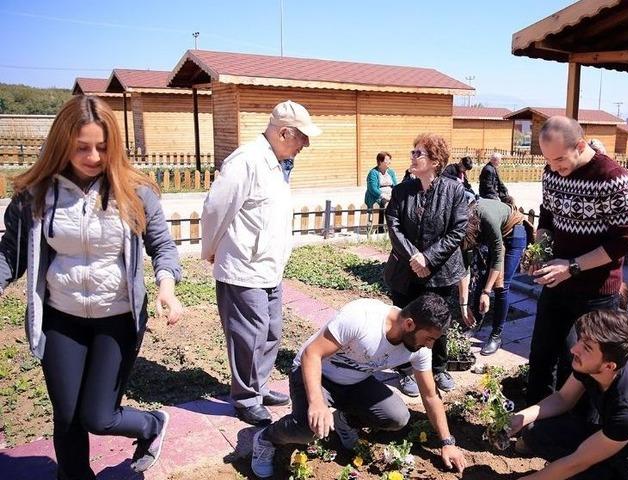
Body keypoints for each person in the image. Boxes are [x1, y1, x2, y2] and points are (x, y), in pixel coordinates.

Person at [0, 95, 183, 478]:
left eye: (102, 147)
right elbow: (10, 256)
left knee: (99, 417)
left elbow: (162, 245)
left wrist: (166, 285)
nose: (94, 156)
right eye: (82, 147)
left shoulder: (134, 191)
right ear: (62, 142)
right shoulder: (35, 194)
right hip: (60, 318)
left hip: (117, 319)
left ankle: (151, 424)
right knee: (67, 417)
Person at [250, 294, 467, 478]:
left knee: (397, 417)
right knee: (309, 429)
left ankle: (344, 420)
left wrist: (447, 442)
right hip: (315, 373)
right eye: (429, 338)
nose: (430, 345)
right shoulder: (362, 318)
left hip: (354, 382)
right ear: (409, 324)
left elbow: (430, 396)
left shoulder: (420, 349)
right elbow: (312, 354)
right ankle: (266, 438)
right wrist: (317, 402)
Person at [201, 100, 321, 426]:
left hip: (269, 267)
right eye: (302, 138)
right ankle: (245, 398)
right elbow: (214, 209)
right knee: (248, 337)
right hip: (243, 267)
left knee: (271, 332)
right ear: (284, 133)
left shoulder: (277, 163)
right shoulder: (246, 161)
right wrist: (210, 248)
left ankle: (259, 386)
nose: (305, 145)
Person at [527, 116, 628, 404]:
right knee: (541, 354)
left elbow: (627, 239)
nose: (554, 168)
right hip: (557, 283)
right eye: (548, 161)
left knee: (582, 366)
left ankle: (579, 423)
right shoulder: (552, 172)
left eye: (559, 160)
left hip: (596, 293)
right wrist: (540, 252)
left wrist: (573, 266)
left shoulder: (612, 178)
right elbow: (547, 217)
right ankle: (535, 417)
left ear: (579, 146)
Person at [510, 310, 628, 479]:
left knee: (576, 466)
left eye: (587, 348)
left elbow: (577, 462)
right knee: (535, 431)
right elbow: (563, 398)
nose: (574, 349)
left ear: (609, 366)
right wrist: (520, 418)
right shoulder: (593, 365)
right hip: (608, 436)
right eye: (580, 340)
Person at [384, 133, 468, 397]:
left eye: (418, 153)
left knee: (438, 320)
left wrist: (429, 258)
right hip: (406, 271)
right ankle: (404, 370)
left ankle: (439, 368)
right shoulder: (401, 191)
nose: (412, 157)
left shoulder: (454, 191)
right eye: (413, 152)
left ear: (435, 161)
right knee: (404, 319)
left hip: (440, 272)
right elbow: (393, 225)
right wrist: (415, 257)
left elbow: (458, 230)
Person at [459, 197, 529, 355]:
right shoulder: (461, 223)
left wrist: (486, 292)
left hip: (514, 234)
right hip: (496, 235)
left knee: (501, 286)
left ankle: (496, 336)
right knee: (481, 278)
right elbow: (464, 268)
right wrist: (464, 305)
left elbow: (498, 257)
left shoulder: (487, 220)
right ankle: (475, 324)